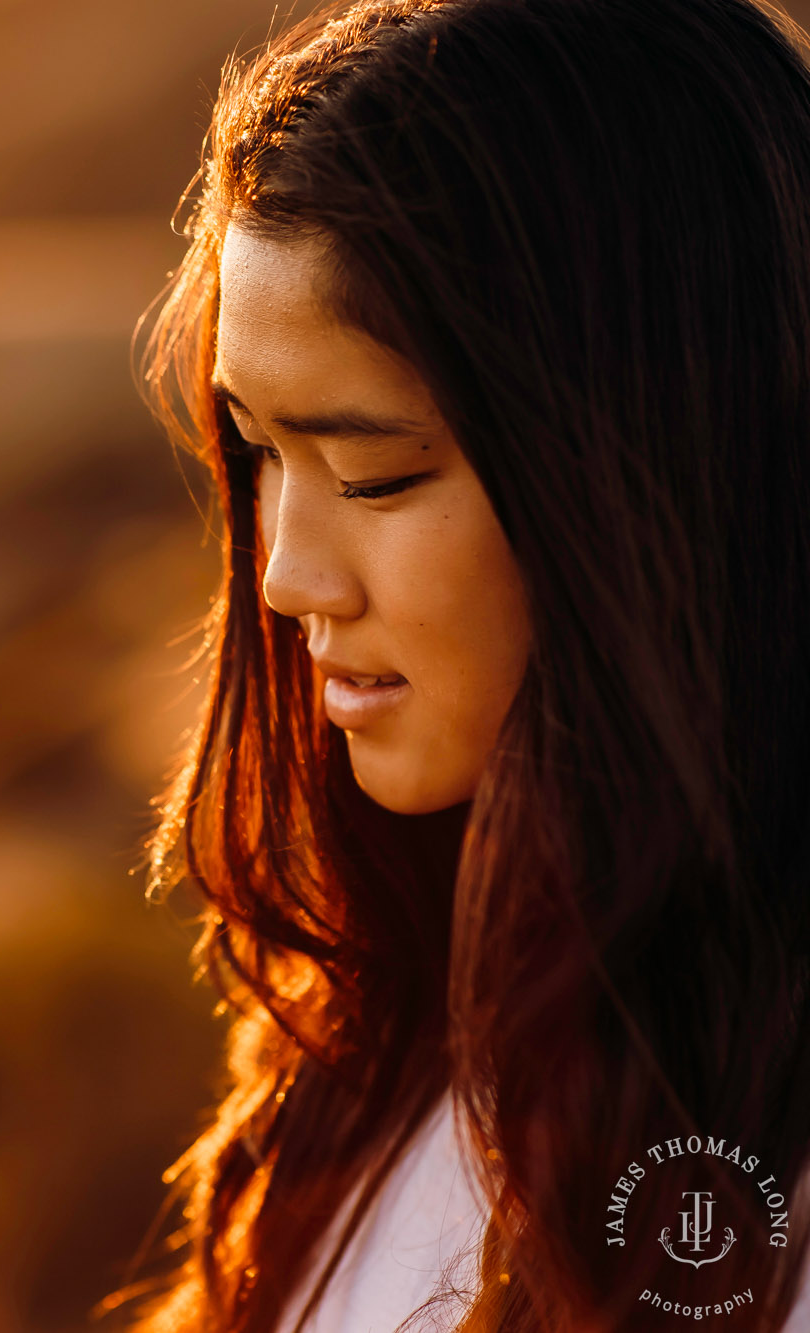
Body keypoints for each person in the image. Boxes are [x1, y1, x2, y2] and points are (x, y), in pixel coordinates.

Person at [97, 1, 810, 1330]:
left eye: (375, 472)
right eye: (255, 452)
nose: (282, 577)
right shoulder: (382, 1045)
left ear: (647, 478)